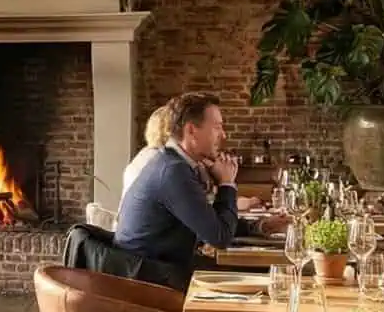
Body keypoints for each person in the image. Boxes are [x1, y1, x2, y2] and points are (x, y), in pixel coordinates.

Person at [114, 92, 282, 291]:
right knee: (270, 283)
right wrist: (227, 184)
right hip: (151, 284)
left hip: (159, 272)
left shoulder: (173, 163)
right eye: (217, 127)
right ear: (191, 130)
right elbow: (220, 237)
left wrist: (260, 226)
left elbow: (208, 222)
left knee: (267, 277)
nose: (224, 135)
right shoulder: (173, 171)